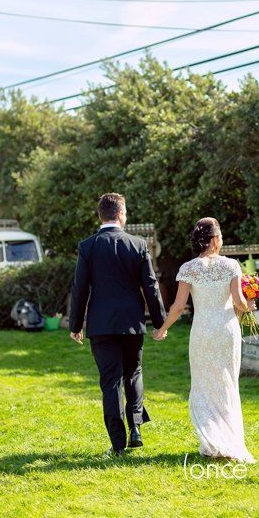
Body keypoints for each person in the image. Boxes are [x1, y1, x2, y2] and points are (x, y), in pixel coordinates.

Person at [69, 192, 166, 458]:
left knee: (110, 383)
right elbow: (150, 285)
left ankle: (118, 444)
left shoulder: (88, 246)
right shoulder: (137, 244)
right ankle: (135, 428)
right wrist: (160, 321)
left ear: (101, 215)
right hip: (132, 323)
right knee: (133, 373)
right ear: (121, 214)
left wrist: (75, 324)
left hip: (101, 325)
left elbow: (79, 289)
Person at [153, 217, 255, 463]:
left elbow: (178, 307)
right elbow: (239, 302)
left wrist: (162, 329)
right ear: (215, 239)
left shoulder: (188, 268)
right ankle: (225, 441)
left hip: (201, 332)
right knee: (227, 383)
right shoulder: (231, 266)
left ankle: (212, 442)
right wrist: (250, 307)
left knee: (204, 384)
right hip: (226, 331)